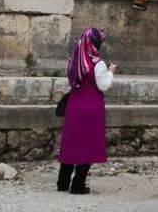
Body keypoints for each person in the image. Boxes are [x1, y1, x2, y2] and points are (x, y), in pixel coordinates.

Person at [57, 27, 114, 194]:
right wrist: (110, 72)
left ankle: (62, 182)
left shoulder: (73, 60)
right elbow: (103, 85)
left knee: (71, 143)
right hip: (91, 107)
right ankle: (78, 184)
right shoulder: (98, 63)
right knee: (87, 145)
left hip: (74, 105)